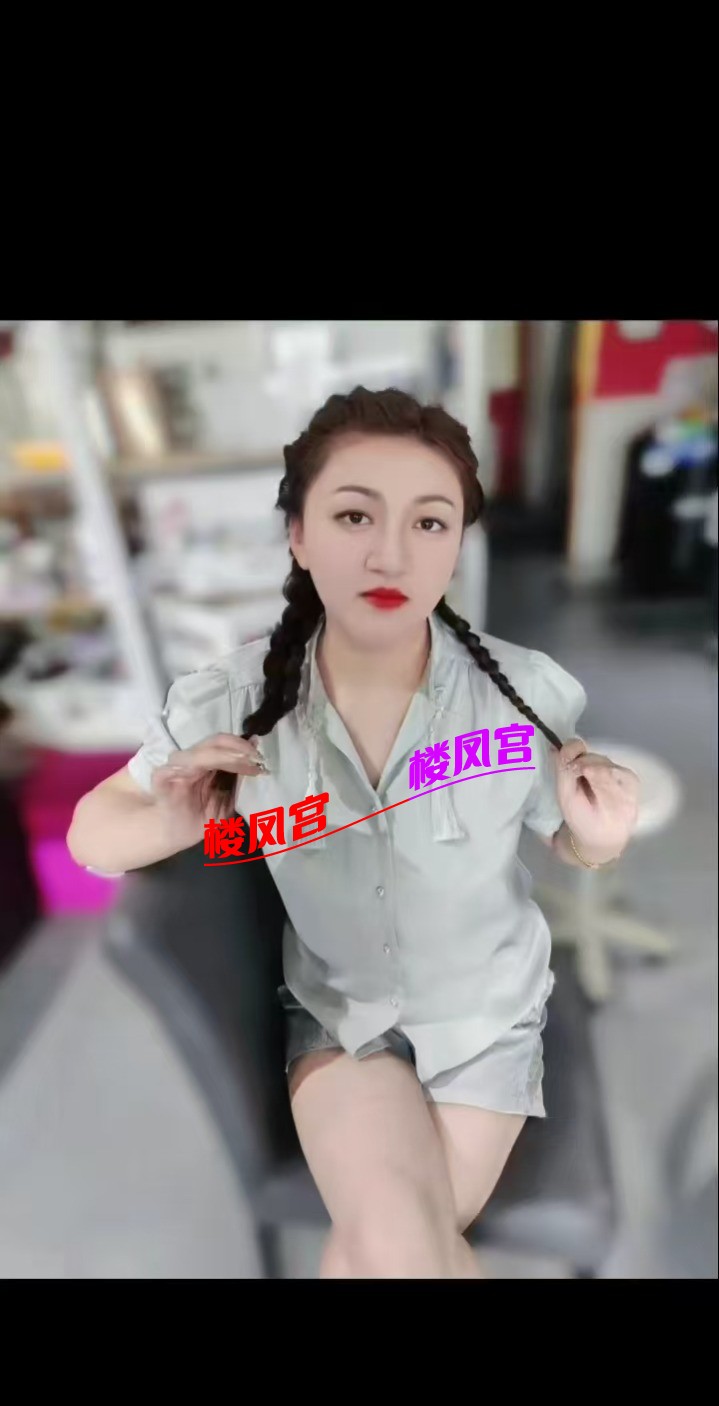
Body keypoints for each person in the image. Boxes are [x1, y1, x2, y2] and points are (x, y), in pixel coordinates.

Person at [67, 388, 640, 1279]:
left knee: (385, 1251)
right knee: (403, 1251)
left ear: (456, 542)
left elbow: (576, 844)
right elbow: (90, 837)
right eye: (353, 515)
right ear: (298, 535)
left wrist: (601, 837)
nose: (390, 554)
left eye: (429, 522)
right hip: (341, 1020)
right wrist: (170, 824)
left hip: (486, 1020)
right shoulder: (230, 699)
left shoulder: (523, 694)